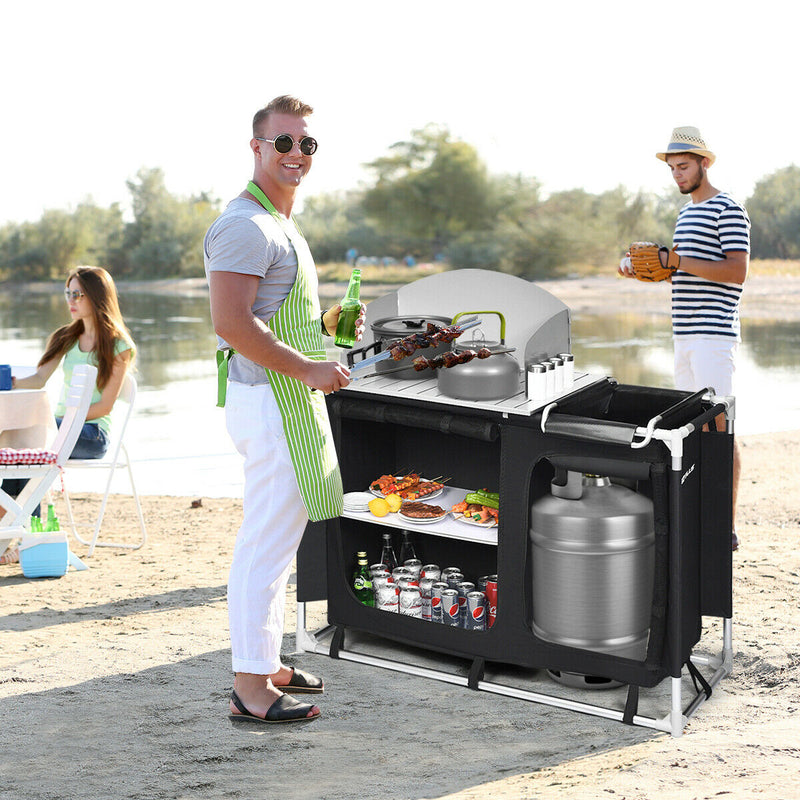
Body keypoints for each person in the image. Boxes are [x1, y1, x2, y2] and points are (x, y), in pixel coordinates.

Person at [204, 96, 365, 724]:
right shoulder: (245, 224)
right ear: (257, 148)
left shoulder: (280, 222)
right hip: (271, 399)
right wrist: (309, 368)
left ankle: (266, 660)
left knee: (280, 538)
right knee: (264, 546)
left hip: (286, 398)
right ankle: (250, 685)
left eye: (307, 144)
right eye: (284, 143)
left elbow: (271, 313)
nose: (297, 154)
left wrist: (324, 326)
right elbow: (232, 324)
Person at [619, 126, 750, 550]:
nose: (677, 175)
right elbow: (686, 271)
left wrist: (675, 259)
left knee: (719, 428)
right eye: (672, 168)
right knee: (691, 430)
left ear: (704, 163)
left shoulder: (727, 209)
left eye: (684, 166)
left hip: (714, 336)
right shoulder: (685, 214)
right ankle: (698, 515)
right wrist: (645, 267)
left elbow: (735, 272)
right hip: (684, 336)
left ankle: (724, 528)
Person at [0, 266, 136, 561]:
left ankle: (21, 535)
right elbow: (37, 380)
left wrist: (56, 425)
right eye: (68, 293)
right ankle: (15, 534)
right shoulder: (66, 336)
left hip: (92, 433)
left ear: (97, 297)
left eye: (78, 294)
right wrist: (8, 382)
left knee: (29, 441)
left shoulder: (117, 345)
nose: (71, 300)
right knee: (22, 445)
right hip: (58, 430)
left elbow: (105, 407)